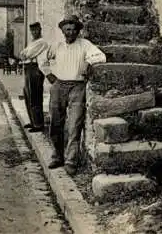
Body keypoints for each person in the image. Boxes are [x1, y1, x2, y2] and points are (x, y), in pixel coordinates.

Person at [44, 16, 106, 176]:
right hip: (59, 86)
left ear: (78, 31)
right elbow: (42, 59)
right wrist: (49, 75)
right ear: (63, 31)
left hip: (77, 87)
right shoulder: (56, 45)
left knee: (74, 125)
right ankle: (57, 156)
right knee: (55, 123)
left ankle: (71, 161)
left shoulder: (85, 45)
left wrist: (89, 65)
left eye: (73, 30)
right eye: (67, 30)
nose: (70, 33)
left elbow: (100, 56)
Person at [19, 22, 48, 133]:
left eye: (36, 30)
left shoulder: (42, 42)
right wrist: (24, 55)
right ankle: (32, 120)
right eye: (32, 31)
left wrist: (25, 55)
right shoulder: (33, 42)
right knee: (28, 95)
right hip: (28, 67)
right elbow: (22, 53)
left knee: (35, 95)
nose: (34, 32)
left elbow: (27, 54)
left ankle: (38, 124)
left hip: (35, 69)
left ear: (40, 30)